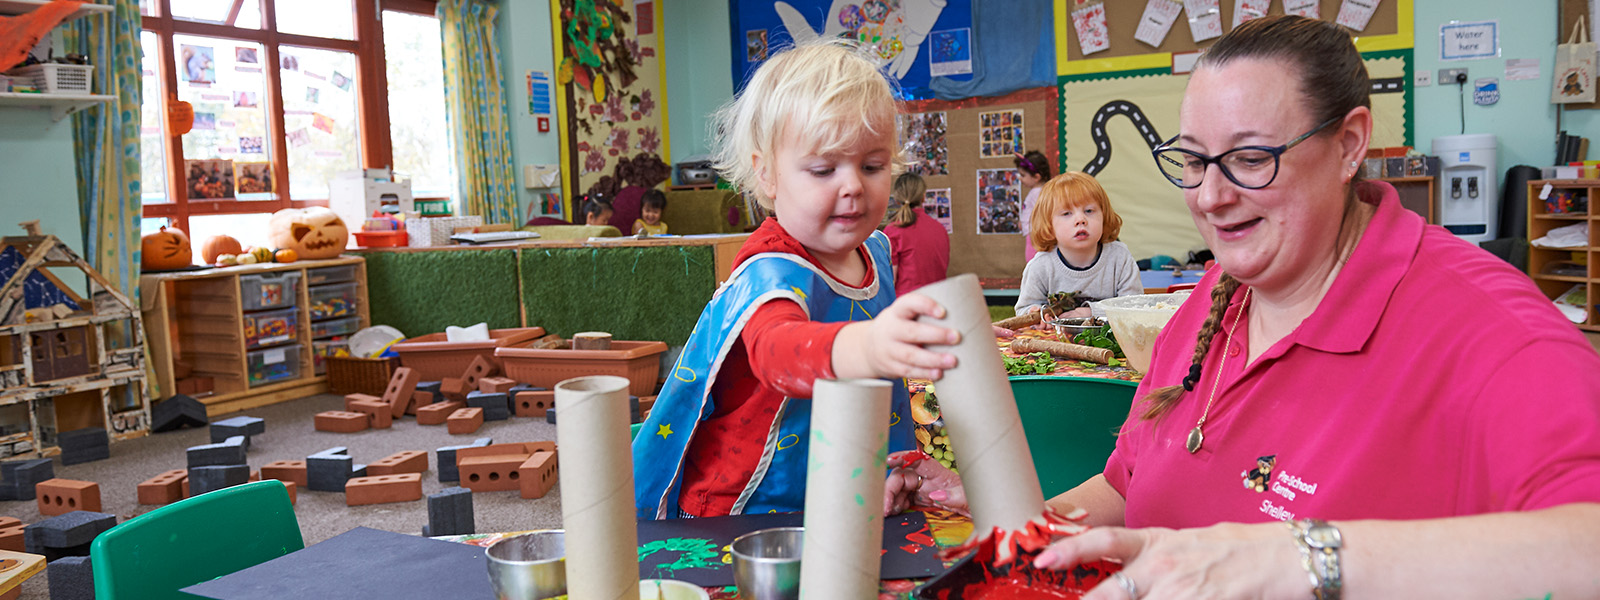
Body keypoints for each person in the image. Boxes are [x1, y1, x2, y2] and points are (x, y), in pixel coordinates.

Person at [889, 15, 1600, 599]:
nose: (1210, 196)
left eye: (1251, 158)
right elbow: (1126, 487)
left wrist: (1298, 559)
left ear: (1349, 144)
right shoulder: (1213, 301)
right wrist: (1013, 514)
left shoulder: (1488, 333)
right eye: (1194, 161)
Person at [632, 40, 960, 520]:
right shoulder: (770, 269)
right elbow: (777, 352)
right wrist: (869, 345)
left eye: (872, 166)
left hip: (840, 488)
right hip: (747, 506)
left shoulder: (876, 249)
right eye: (824, 169)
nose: (853, 185)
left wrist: (929, 341)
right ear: (768, 175)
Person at [1013, 172, 1140, 319]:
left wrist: (1092, 313)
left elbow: (1134, 306)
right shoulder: (1040, 266)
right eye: (1067, 213)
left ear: (1104, 216)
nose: (1081, 219)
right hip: (1055, 335)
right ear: (1049, 225)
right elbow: (1023, 309)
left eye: (1089, 211)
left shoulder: (1120, 258)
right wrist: (1034, 313)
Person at [882, 172, 949, 294]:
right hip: (937, 301)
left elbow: (890, 281)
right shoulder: (940, 229)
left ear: (896, 199)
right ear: (923, 197)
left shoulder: (893, 231)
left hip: (906, 302)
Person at [1015, 150, 1052, 262]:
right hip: (1034, 235)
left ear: (1036, 177)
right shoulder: (1038, 192)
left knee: (1033, 262)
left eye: (1023, 175)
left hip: (1035, 236)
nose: (1020, 178)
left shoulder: (1037, 193)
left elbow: (1043, 214)